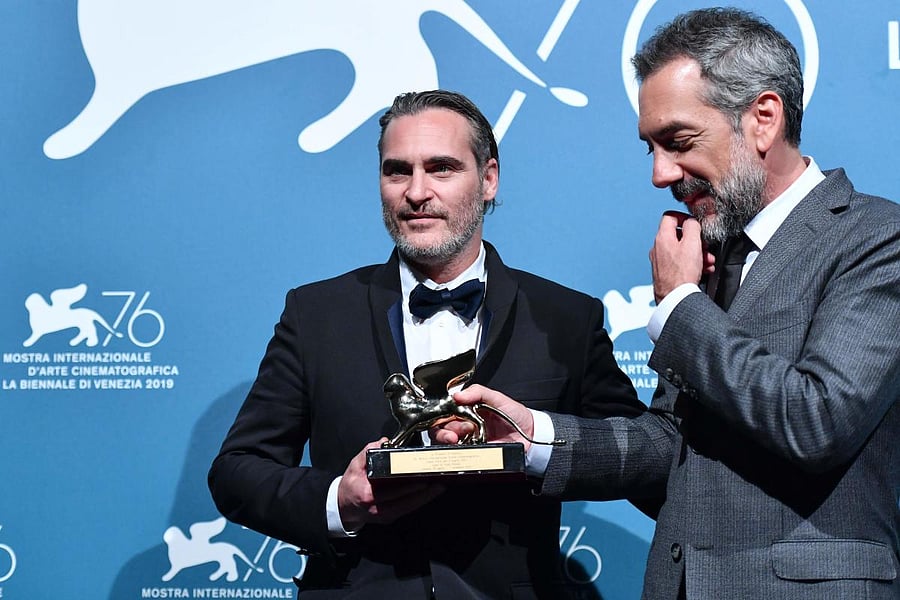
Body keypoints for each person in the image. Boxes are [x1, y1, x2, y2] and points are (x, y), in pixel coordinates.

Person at [438, 8, 900, 599]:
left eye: (678, 142)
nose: (660, 174)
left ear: (763, 119)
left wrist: (679, 306)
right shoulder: (711, 253)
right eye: (650, 147)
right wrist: (535, 439)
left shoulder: (875, 238)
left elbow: (817, 420)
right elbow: (674, 446)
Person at [208, 89, 646, 599]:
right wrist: (339, 501)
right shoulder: (316, 314)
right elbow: (237, 472)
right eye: (397, 171)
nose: (416, 192)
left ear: (488, 179)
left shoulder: (565, 317)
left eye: (441, 168)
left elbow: (639, 456)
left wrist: (539, 443)